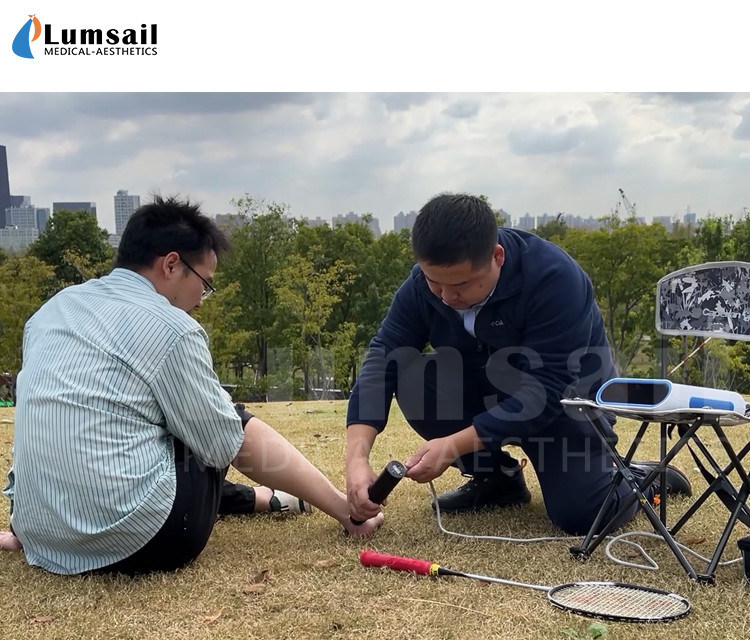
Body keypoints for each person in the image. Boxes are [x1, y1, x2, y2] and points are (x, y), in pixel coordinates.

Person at [2, 196, 382, 575]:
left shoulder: (49, 313)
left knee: (169, 427)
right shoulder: (171, 328)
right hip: (143, 542)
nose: (202, 300)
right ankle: (331, 510)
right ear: (171, 265)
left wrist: (26, 524)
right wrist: (343, 509)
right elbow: (226, 444)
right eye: (205, 283)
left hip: (41, 534)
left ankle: (259, 499)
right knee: (222, 420)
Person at [345, 193, 691, 534]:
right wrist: (356, 459)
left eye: (461, 285)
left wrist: (452, 446)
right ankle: (497, 480)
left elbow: (547, 391)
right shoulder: (423, 285)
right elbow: (383, 357)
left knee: (583, 514)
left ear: (497, 257)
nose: (446, 297)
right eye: (433, 283)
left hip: (565, 403)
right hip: (487, 388)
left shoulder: (554, 278)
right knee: (411, 374)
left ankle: (638, 479)